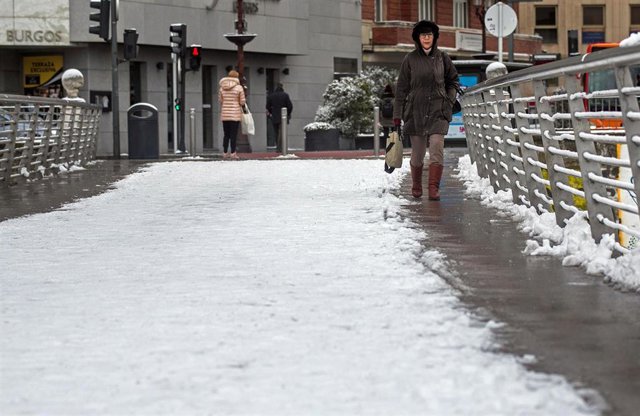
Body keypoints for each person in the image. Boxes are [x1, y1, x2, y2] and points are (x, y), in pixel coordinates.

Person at [393, 20, 460, 200]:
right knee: (418, 153)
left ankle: (433, 188)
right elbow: (401, 89)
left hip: (438, 110)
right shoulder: (410, 59)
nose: (426, 38)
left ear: (434, 37)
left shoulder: (443, 58)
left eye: (429, 35)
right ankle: (416, 184)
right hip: (415, 112)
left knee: (437, 147)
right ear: (418, 38)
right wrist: (397, 116)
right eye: (423, 35)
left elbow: (453, 81)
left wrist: (449, 100)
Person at [218, 69, 246, 159]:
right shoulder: (239, 88)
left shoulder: (222, 87)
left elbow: (220, 100)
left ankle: (225, 152)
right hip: (235, 114)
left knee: (226, 134)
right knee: (233, 134)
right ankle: (233, 153)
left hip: (225, 114)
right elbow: (242, 102)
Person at [266, 83, 293, 153]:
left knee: (276, 132)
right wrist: (288, 114)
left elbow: (267, 106)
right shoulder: (285, 95)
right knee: (282, 132)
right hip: (283, 116)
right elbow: (290, 106)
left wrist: (271, 113)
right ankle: (281, 147)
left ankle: (278, 147)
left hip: (274, 116)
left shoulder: (271, 96)